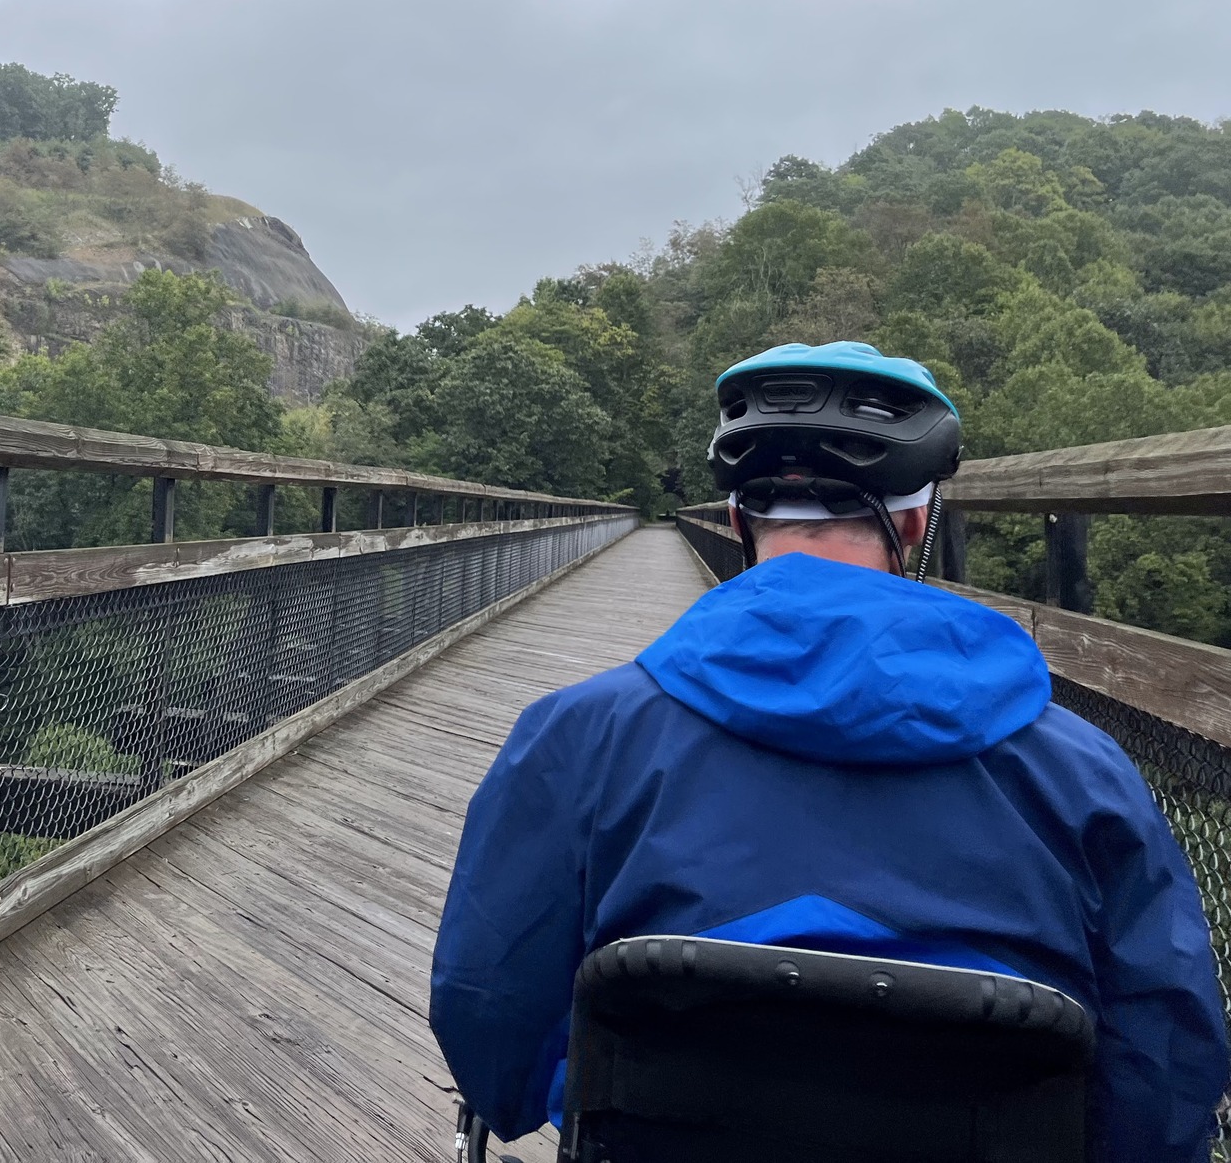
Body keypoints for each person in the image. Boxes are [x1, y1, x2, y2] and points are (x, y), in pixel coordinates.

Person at [430, 341, 1229, 1161]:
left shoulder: (576, 738)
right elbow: (1165, 1085)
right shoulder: (1085, 774)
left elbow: (491, 1037)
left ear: (737, 522)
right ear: (917, 525)